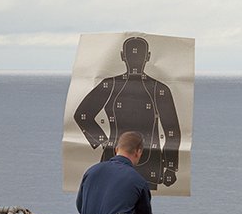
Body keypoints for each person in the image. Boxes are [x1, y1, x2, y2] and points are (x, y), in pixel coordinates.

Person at [71, 35, 182, 187]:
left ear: (122, 56)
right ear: (148, 57)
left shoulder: (157, 89)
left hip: (130, 159)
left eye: (138, 54)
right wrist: (102, 141)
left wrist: (170, 166)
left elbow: (172, 130)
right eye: (132, 54)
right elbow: (82, 115)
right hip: (134, 160)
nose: (135, 58)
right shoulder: (155, 88)